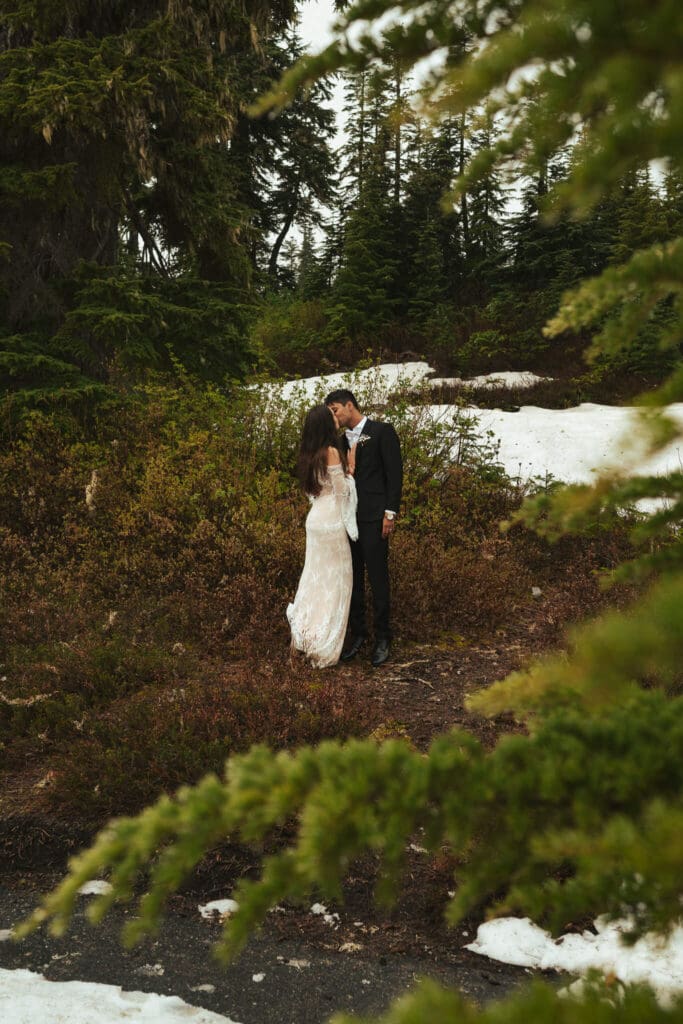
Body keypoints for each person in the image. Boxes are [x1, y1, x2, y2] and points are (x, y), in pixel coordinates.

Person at [325, 389, 402, 667]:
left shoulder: (382, 431)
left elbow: (395, 475)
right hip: (346, 519)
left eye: (335, 410)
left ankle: (383, 637)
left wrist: (390, 514)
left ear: (349, 405)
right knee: (353, 578)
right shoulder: (337, 440)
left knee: (378, 579)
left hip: (374, 517)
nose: (334, 415)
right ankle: (358, 634)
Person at [287, 404, 358, 668]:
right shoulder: (330, 452)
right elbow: (342, 493)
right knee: (336, 582)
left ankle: (303, 637)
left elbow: (313, 491)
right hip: (330, 521)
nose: (335, 419)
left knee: (314, 579)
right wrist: (350, 470)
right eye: (331, 417)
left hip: (315, 518)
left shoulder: (308, 453)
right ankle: (322, 642)